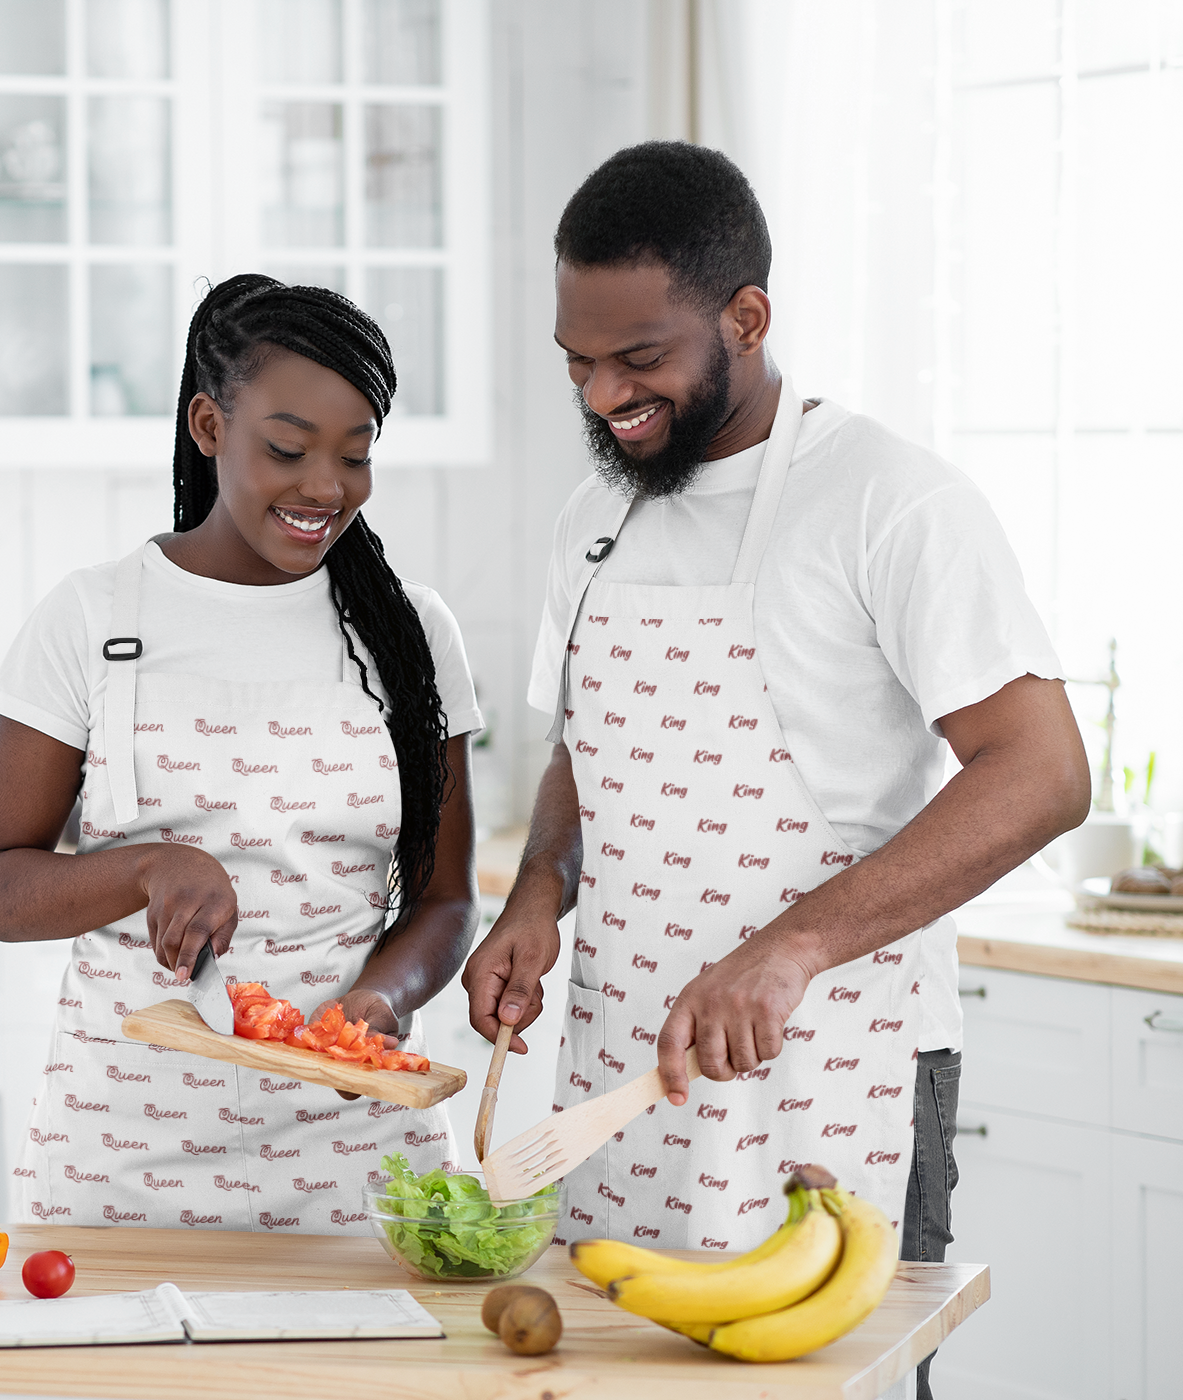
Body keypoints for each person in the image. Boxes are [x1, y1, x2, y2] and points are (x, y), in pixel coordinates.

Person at [462, 143, 1088, 1398]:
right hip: (616, 1066)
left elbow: (1041, 772)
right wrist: (537, 889)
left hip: (828, 1061)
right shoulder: (594, 514)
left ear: (745, 317)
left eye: (639, 360)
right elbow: (588, 743)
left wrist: (790, 946)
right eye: (576, 362)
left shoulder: (888, 501)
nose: (601, 398)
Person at [0, 274, 481, 1232]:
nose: (326, 487)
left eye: (356, 456)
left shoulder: (412, 636)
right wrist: (149, 866)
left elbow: (446, 899)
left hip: (357, 1171)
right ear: (209, 426)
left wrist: (381, 996)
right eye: (288, 449)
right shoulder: (95, 619)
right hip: (124, 1170)